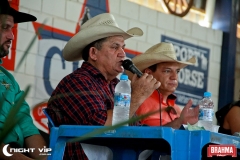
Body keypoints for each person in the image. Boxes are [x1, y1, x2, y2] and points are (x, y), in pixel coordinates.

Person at [47, 13, 160, 159]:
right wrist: (137, 96)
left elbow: (134, 128)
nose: (123, 54)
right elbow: (102, 127)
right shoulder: (78, 81)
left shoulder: (116, 85)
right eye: (115, 47)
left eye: (123, 47)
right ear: (93, 53)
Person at [0, 0, 46, 159]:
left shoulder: (8, 78)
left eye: (11, 29)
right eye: (5, 27)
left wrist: (45, 158)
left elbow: (27, 127)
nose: (11, 35)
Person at [126, 42, 199, 129]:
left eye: (177, 71)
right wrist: (179, 122)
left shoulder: (178, 109)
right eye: (167, 71)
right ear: (149, 73)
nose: (174, 77)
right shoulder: (137, 101)